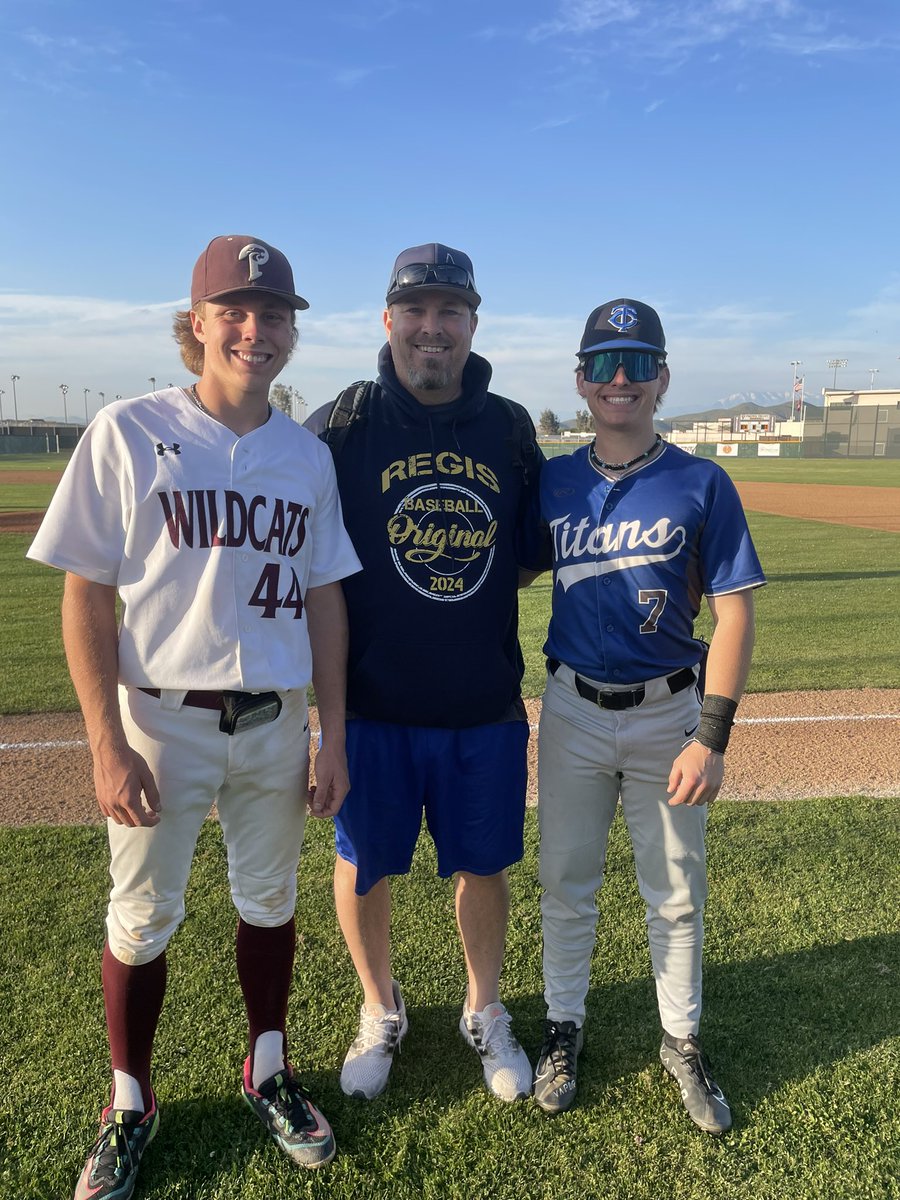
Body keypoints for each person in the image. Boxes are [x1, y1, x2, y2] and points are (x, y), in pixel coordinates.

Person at [28, 235, 361, 1198]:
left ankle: (268, 1070)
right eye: (235, 311)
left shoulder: (307, 454)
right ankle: (129, 1102)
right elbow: (86, 592)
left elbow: (326, 597)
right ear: (198, 323)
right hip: (159, 720)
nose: (256, 330)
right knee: (140, 918)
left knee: (270, 902)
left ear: (293, 331)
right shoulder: (129, 430)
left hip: (272, 719)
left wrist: (330, 730)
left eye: (275, 314)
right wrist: (103, 742)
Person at [306, 243, 547, 1103]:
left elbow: (523, 559)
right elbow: (304, 566)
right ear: (388, 321)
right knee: (363, 864)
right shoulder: (342, 425)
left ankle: (485, 1010)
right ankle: (380, 1008)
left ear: (473, 324)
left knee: (484, 865)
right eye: (416, 310)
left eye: (450, 311)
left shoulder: (509, 427)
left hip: (481, 704)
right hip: (371, 707)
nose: (432, 327)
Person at [533, 299, 765, 1131]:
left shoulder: (702, 480)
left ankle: (681, 1039)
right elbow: (497, 565)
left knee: (674, 894)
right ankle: (564, 1026)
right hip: (570, 708)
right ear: (581, 380)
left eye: (637, 362)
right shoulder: (553, 479)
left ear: (663, 377)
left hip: (670, 710)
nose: (620, 378)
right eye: (602, 364)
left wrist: (712, 734)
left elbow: (734, 613)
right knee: (566, 884)